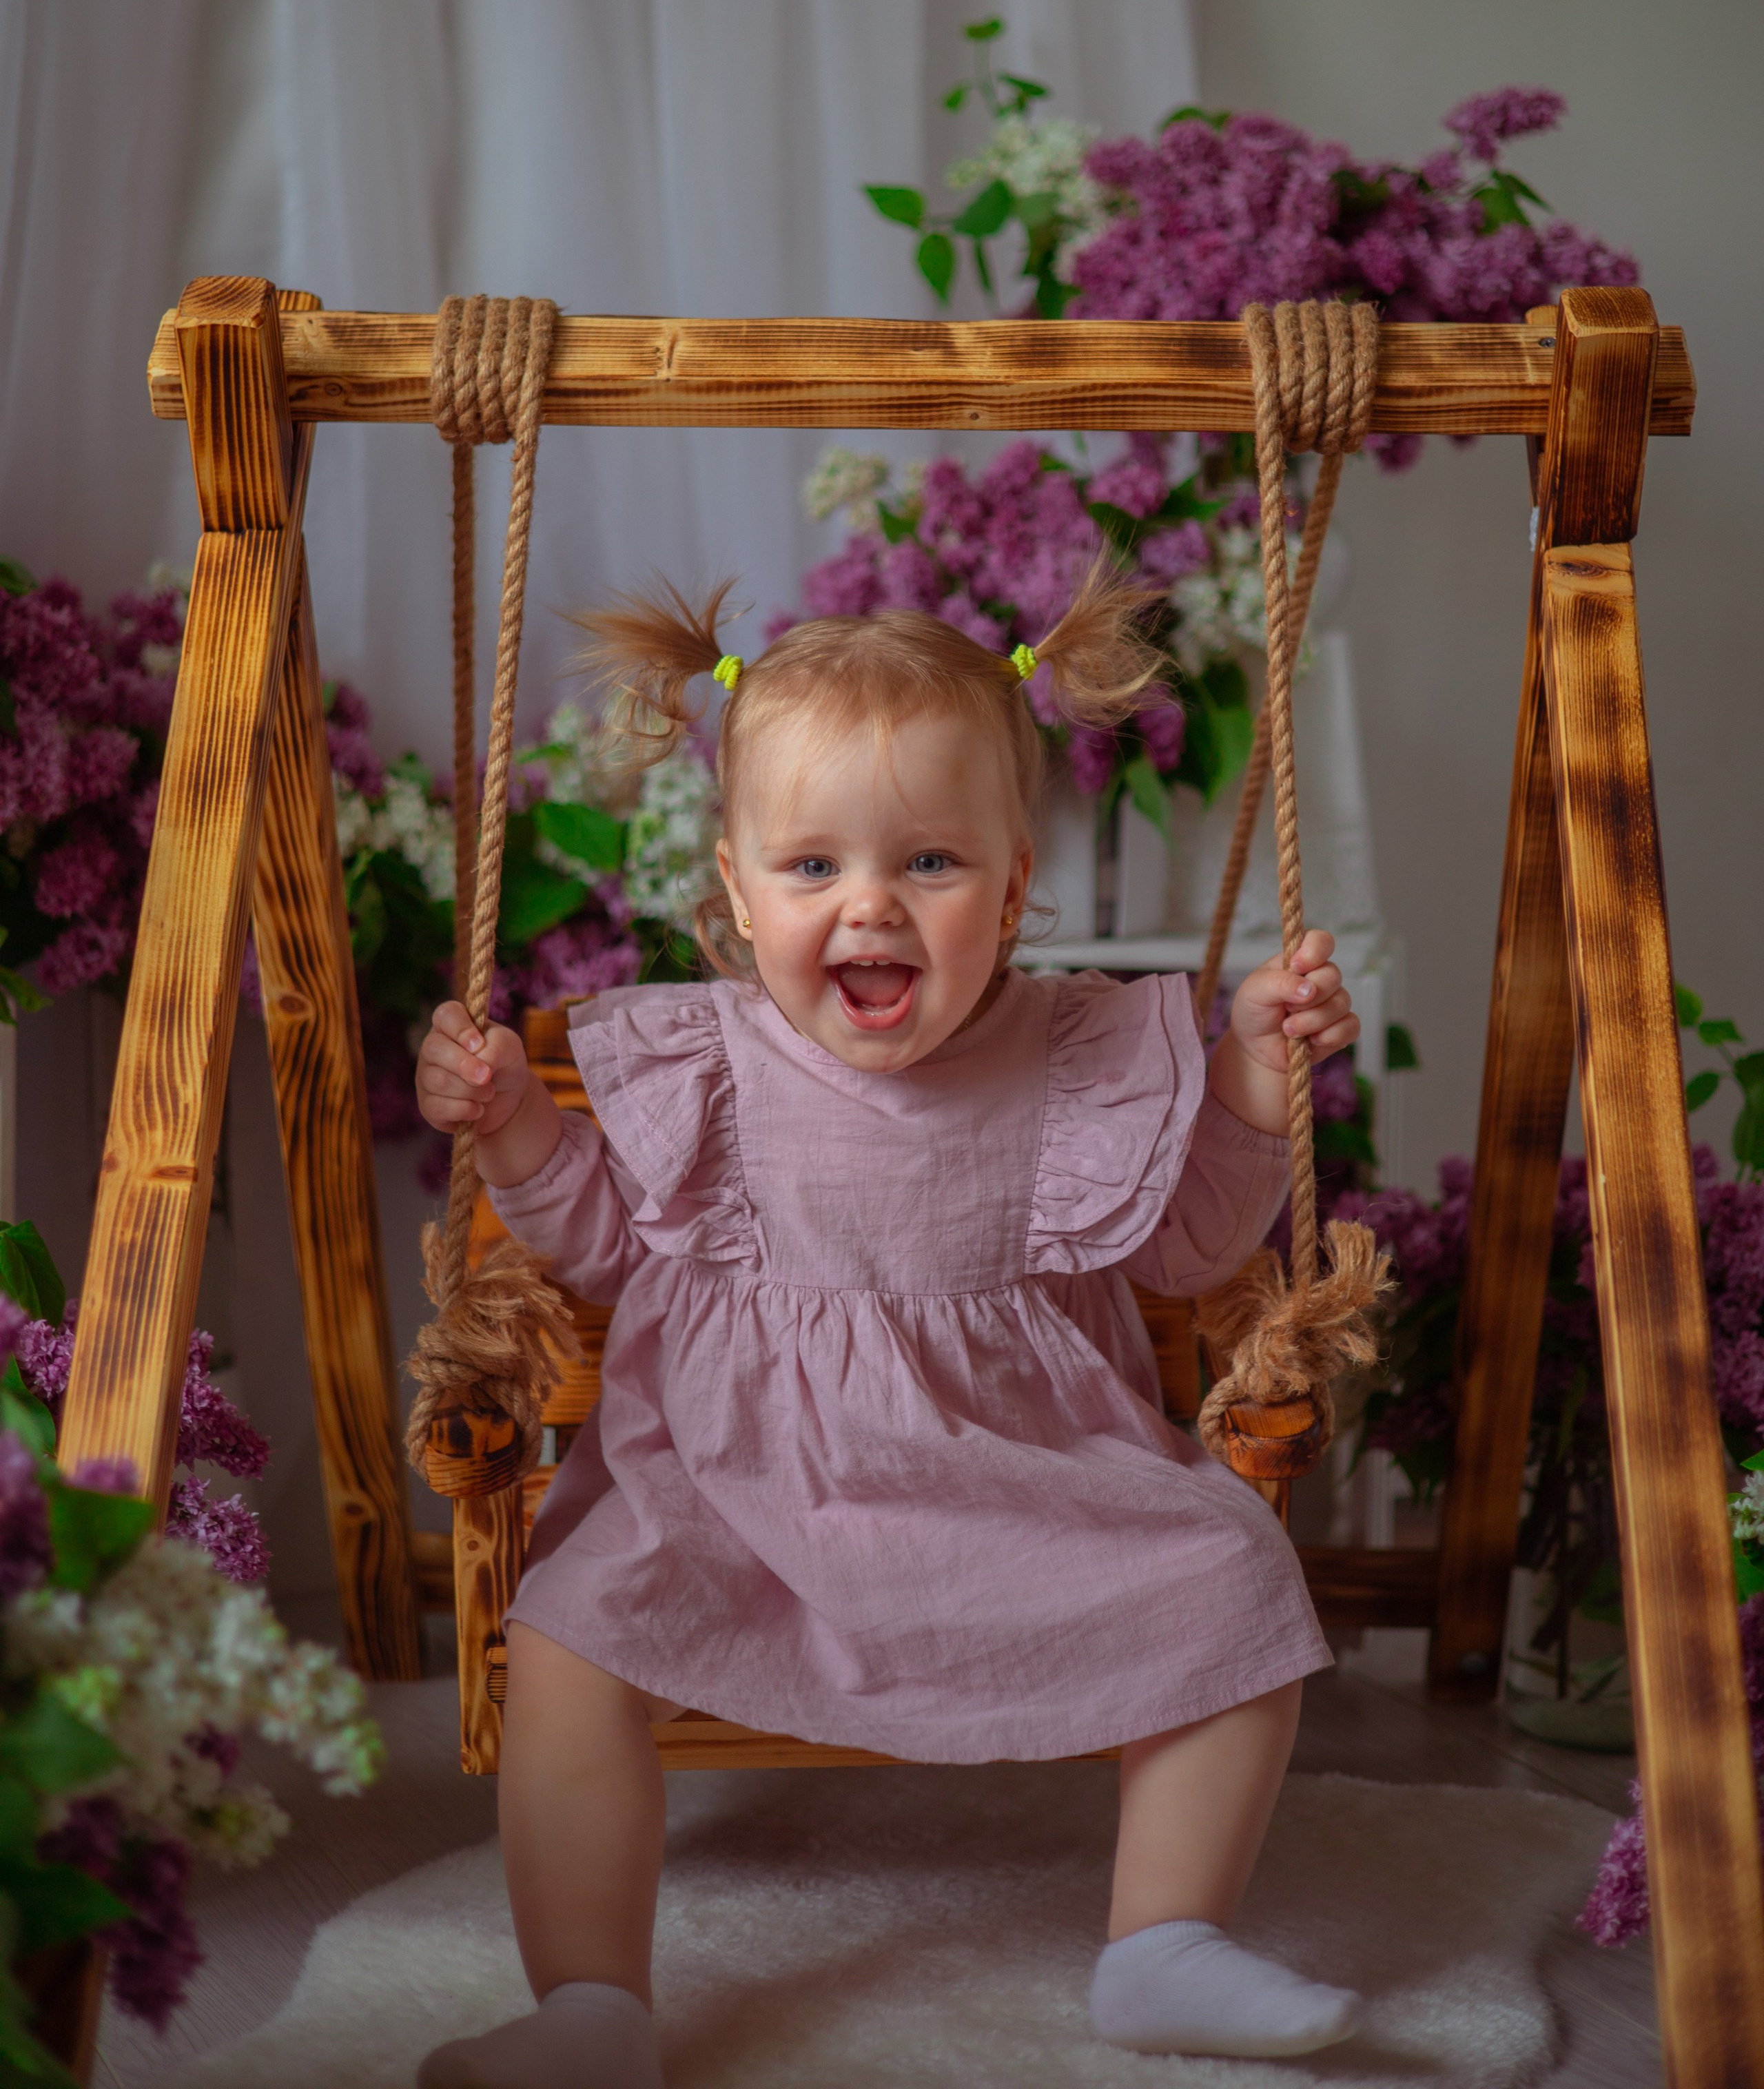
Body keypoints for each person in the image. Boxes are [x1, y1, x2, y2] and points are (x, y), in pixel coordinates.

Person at [415, 565, 1364, 2089]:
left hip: (1022, 1477)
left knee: (1234, 1577)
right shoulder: (703, 1065)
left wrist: (1255, 1086)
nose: (866, 904)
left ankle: (1159, 1946)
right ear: (734, 890)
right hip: (728, 1490)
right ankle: (591, 2005)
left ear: (1012, 886)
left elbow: (1187, 1252)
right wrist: (518, 1131)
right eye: (808, 866)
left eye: (927, 859)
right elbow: (596, 1248)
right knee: (567, 1637)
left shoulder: (1074, 1054)